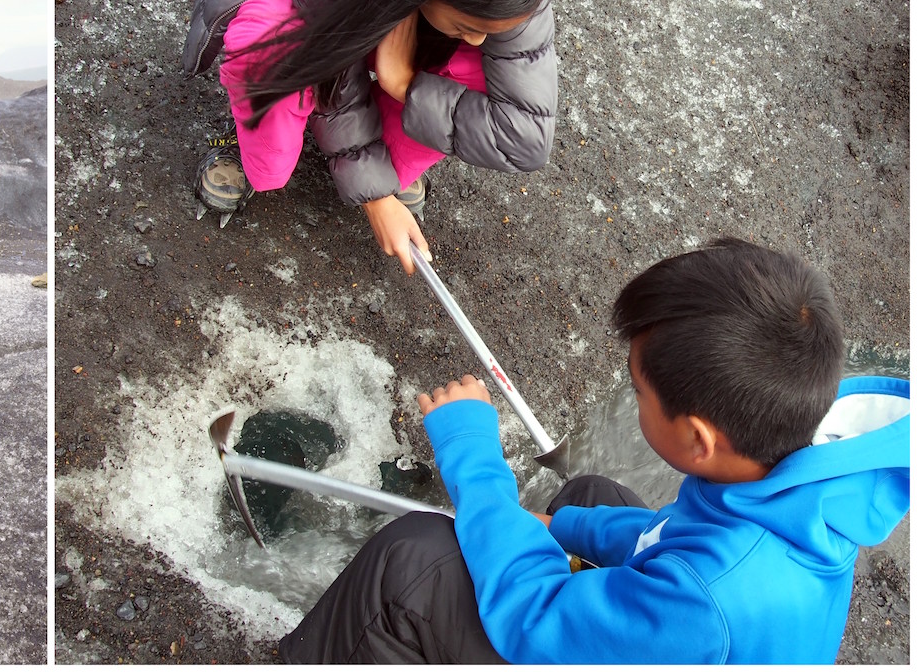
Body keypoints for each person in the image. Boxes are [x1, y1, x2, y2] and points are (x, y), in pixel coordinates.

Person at [279, 237, 911, 663]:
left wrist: (476, 461)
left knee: (412, 562)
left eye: (639, 389)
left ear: (698, 439)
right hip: (674, 638)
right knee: (590, 501)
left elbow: (536, 616)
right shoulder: (802, 477)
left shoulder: (708, 596)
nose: (634, 397)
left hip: (663, 636)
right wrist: (556, 525)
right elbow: (666, 537)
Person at [183, 0, 562, 274]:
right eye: (467, 24)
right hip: (308, 10)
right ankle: (248, 141)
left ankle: (387, 156)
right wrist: (376, 198)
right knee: (272, 45)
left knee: (479, 69)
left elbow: (525, 138)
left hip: (394, 21)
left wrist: (405, 85)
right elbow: (333, 69)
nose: (480, 38)